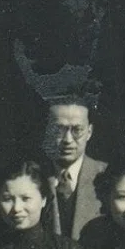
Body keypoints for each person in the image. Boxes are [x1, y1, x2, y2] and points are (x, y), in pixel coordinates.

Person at [43, 100, 107, 240]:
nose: (68, 139)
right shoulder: (34, 177)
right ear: (48, 130)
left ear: (89, 132)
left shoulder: (107, 176)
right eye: (59, 129)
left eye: (77, 130)